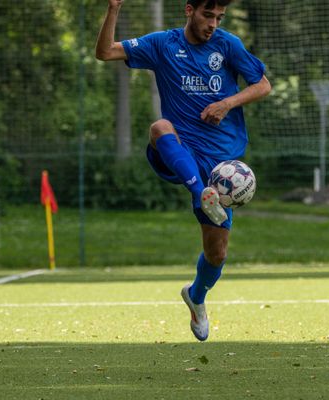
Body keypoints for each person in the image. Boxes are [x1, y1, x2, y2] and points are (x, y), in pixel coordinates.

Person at [96, 0, 271, 341]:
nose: (213, 24)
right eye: (208, 15)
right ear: (189, 10)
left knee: (216, 253)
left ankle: (196, 297)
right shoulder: (163, 44)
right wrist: (114, 8)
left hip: (219, 167)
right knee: (160, 126)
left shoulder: (228, 45)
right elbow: (104, 52)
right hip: (180, 150)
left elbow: (263, 85)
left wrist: (226, 103)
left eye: (219, 18)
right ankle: (200, 194)